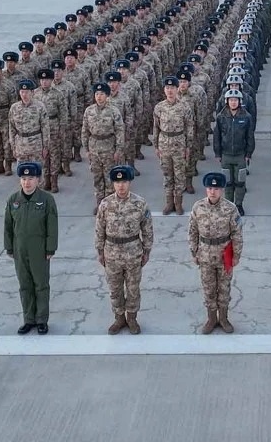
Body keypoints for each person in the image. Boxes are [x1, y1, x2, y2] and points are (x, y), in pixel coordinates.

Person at [94, 165, 153, 334]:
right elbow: (99, 229)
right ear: (113, 183)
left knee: (133, 288)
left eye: (124, 182)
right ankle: (119, 318)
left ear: (130, 182)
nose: (121, 186)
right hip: (111, 252)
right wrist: (100, 251)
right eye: (117, 182)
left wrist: (147, 251)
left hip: (133, 251)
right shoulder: (105, 204)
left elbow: (147, 229)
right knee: (115, 288)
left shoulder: (140, 203)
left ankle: (132, 318)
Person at [3, 161, 58, 334]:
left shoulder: (46, 200)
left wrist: (50, 248)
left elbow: (52, 226)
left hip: (39, 250)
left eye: (31, 178)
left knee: (41, 285)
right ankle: (29, 319)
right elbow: (8, 226)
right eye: (24, 178)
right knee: (25, 285)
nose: (27, 182)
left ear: (38, 180)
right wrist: (9, 247)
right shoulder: (13, 200)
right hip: (20, 249)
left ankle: (42, 319)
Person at [188, 171, 243, 333]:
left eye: (216, 188)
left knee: (224, 288)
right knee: (209, 288)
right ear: (206, 189)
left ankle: (224, 318)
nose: (213, 191)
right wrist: (194, 252)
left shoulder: (230, 208)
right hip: (205, 254)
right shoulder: (198, 207)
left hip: (224, 253)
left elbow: (237, 233)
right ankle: (212, 319)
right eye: (210, 188)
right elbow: (192, 231)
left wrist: (236, 255)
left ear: (222, 190)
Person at [153, 77, 196, 215]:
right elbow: (156, 128)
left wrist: (188, 146)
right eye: (167, 88)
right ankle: (169, 203)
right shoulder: (159, 107)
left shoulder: (184, 107)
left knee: (179, 175)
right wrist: (156, 145)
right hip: (164, 143)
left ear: (177, 89)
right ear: (164, 90)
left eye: (172, 88)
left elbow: (190, 127)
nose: (170, 90)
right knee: (167, 175)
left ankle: (178, 203)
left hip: (179, 143)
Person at [82, 82, 126, 210]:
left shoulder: (113, 111)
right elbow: (85, 130)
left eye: (102, 94)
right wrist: (86, 149)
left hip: (109, 148)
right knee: (97, 177)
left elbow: (119, 131)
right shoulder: (89, 111)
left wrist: (119, 150)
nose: (99, 96)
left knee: (109, 177)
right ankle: (100, 203)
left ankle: (110, 203)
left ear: (107, 96)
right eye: (97, 94)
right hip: (94, 148)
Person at [213, 89, 255, 215]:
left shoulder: (246, 117)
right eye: (231, 100)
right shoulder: (221, 117)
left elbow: (250, 137)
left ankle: (239, 204)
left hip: (240, 155)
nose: (233, 102)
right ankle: (229, 204)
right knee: (228, 182)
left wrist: (248, 154)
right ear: (227, 101)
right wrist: (217, 153)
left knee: (240, 182)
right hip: (226, 155)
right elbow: (217, 136)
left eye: (235, 100)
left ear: (239, 101)